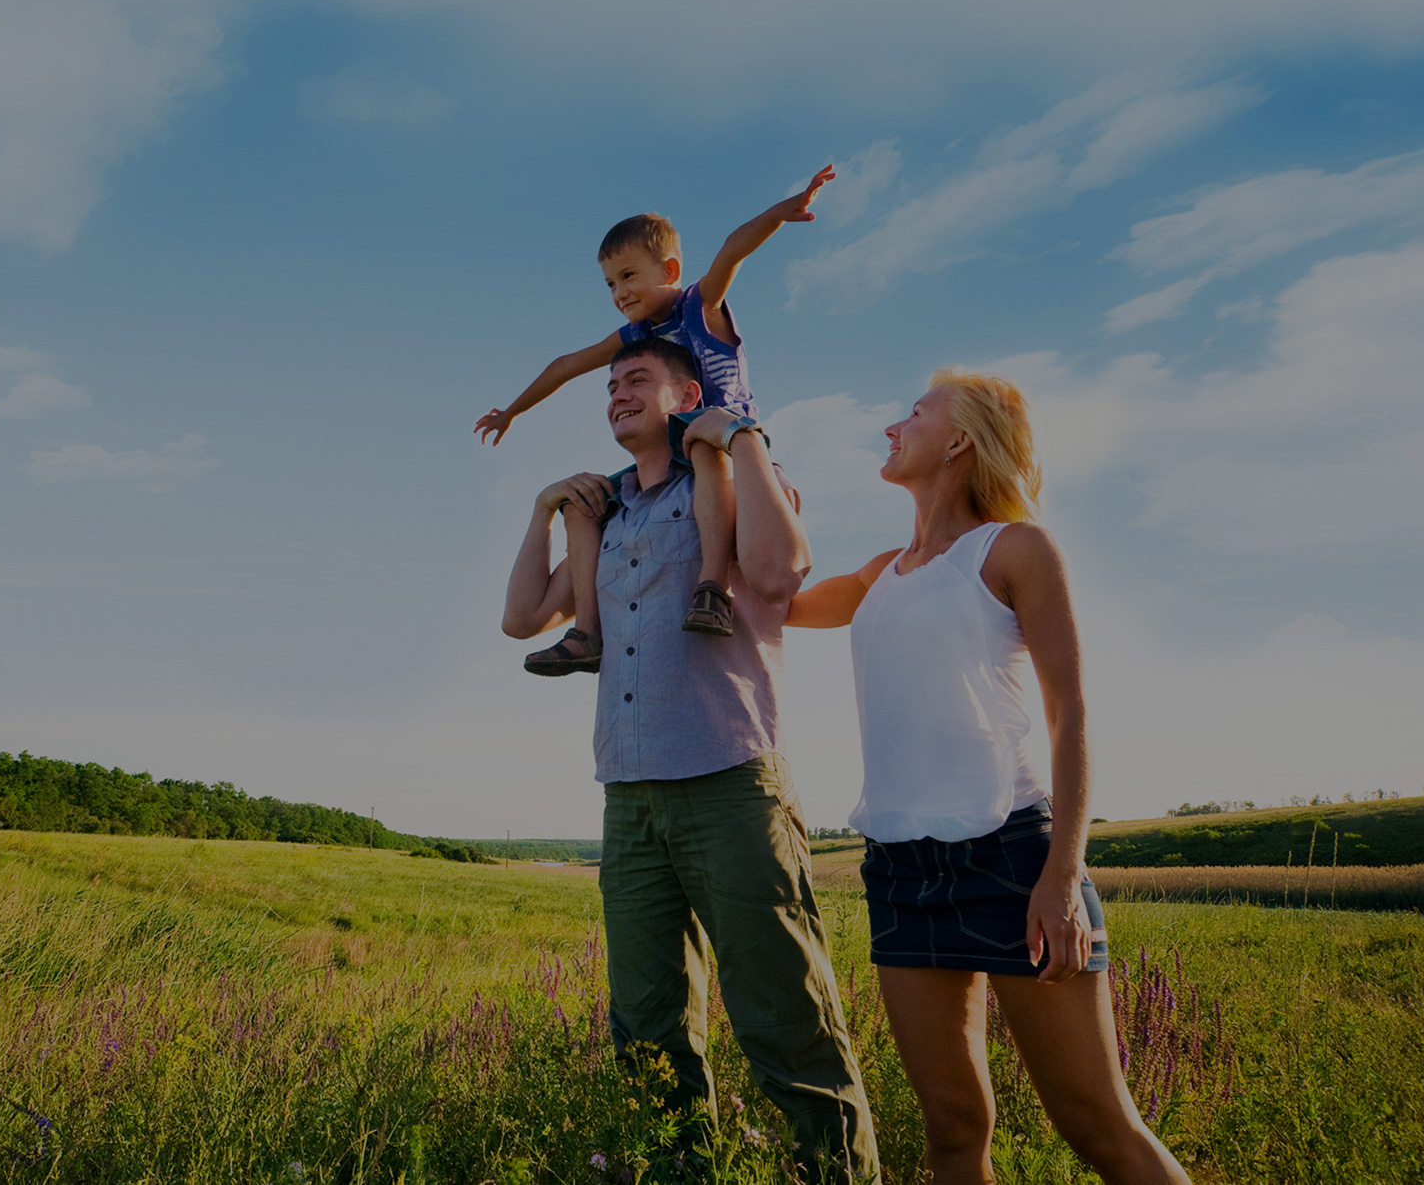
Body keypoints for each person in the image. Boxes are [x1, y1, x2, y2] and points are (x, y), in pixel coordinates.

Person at [785, 370, 1191, 1185]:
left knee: (1096, 1123)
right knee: (952, 1124)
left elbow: (1070, 712)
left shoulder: (1015, 550)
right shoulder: (879, 574)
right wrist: (751, 485)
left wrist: (1062, 875)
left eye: (914, 414)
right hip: (899, 872)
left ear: (960, 441)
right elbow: (776, 602)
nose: (892, 427)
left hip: (1010, 859)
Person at [501, 336, 879, 1182]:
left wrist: (740, 436)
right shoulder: (609, 515)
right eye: (609, 386)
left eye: (636, 379)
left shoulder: (732, 481)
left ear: (685, 394)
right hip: (629, 795)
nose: (616, 394)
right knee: (647, 1028)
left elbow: (780, 574)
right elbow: (521, 618)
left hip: (729, 781)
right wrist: (542, 510)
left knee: (786, 1015)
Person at [478, 165, 836, 671]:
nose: (618, 292)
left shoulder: (699, 307)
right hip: (672, 456)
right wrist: (512, 411)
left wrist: (781, 212)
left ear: (669, 271)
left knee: (701, 442)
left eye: (628, 276)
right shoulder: (636, 335)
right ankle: (588, 633)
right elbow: (566, 364)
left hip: (726, 442)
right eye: (609, 284)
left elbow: (732, 250)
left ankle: (712, 586)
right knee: (583, 504)